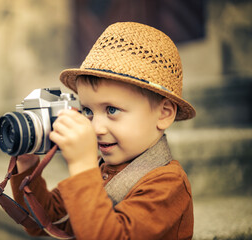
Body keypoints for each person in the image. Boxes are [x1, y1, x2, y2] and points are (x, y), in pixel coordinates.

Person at [10, 22, 196, 239]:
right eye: (87, 110)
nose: (95, 128)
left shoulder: (168, 184)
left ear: (164, 114)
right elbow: (41, 222)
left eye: (112, 109)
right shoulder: (100, 170)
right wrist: (26, 164)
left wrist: (81, 166)